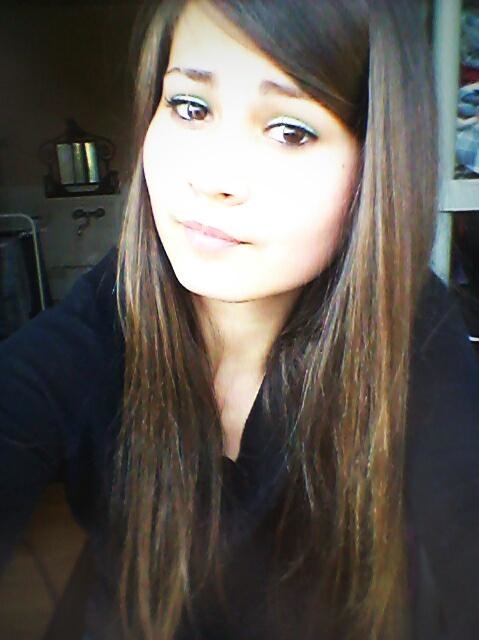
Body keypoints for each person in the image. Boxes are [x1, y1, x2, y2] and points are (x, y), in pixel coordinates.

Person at [1, 1, 479, 639]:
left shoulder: (414, 333)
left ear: (376, 161)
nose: (213, 179)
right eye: (190, 107)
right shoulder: (100, 320)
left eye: (290, 131)